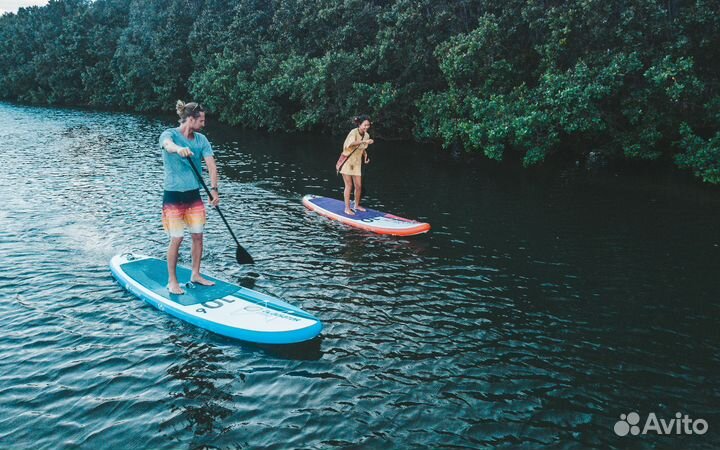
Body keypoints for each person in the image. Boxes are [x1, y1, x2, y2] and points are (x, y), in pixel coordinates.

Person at [159, 100, 220, 295]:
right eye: (201, 120)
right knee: (177, 238)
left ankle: (195, 274)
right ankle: (172, 281)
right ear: (191, 119)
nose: (204, 124)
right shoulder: (169, 134)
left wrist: (214, 190)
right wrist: (179, 149)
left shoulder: (201, 140)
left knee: (198, 237)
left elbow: (211, 166)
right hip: (174, 195)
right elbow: (168, 145)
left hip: (194, 195)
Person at [339, 115, 374, 215]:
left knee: (358, 186)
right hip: (347, 161)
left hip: (357, 163)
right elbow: (351, 144)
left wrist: (365, 156)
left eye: (368, 125)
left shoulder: (366, 135)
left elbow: (362, 148)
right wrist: (364, 141)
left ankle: (357, 205)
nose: (366, 127)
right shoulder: (353, 132)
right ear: (359, 124)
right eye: (364, 125)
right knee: (349, 185)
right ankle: (347, 208)